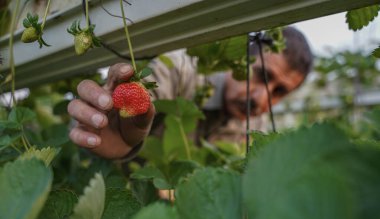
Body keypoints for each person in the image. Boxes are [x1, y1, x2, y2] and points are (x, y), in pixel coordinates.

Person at [67, 26, 313, 159]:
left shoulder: (255, 130)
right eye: (262, 75)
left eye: (279, 92)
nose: (260, 99)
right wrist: (116, 125)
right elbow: (146, 92)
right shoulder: (179, 70)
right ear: (239, 58)